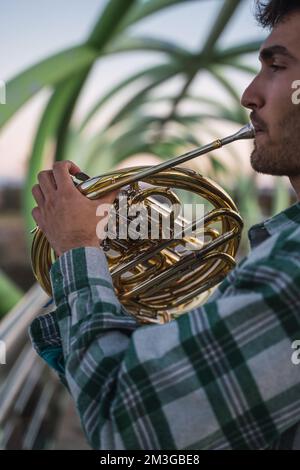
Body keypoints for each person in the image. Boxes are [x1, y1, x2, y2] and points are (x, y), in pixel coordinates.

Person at [29, 0, 300, 450]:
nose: (249, 94)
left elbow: (127, 432)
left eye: (277, 65)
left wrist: (79, 247)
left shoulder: (290, 268)